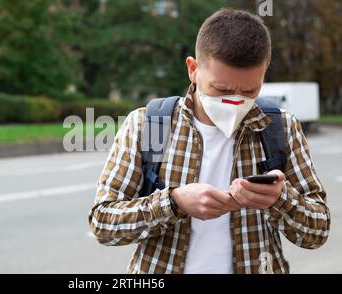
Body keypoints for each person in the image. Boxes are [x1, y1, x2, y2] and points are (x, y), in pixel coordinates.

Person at [88, 8, 330, 274]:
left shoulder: (282, 127)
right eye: (222, 89)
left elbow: (317, 232)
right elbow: (103, 224)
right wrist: (174, 202)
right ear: (193, 69)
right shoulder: (147, 124)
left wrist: (280, 199)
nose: (235, 101)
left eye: (250, 90)